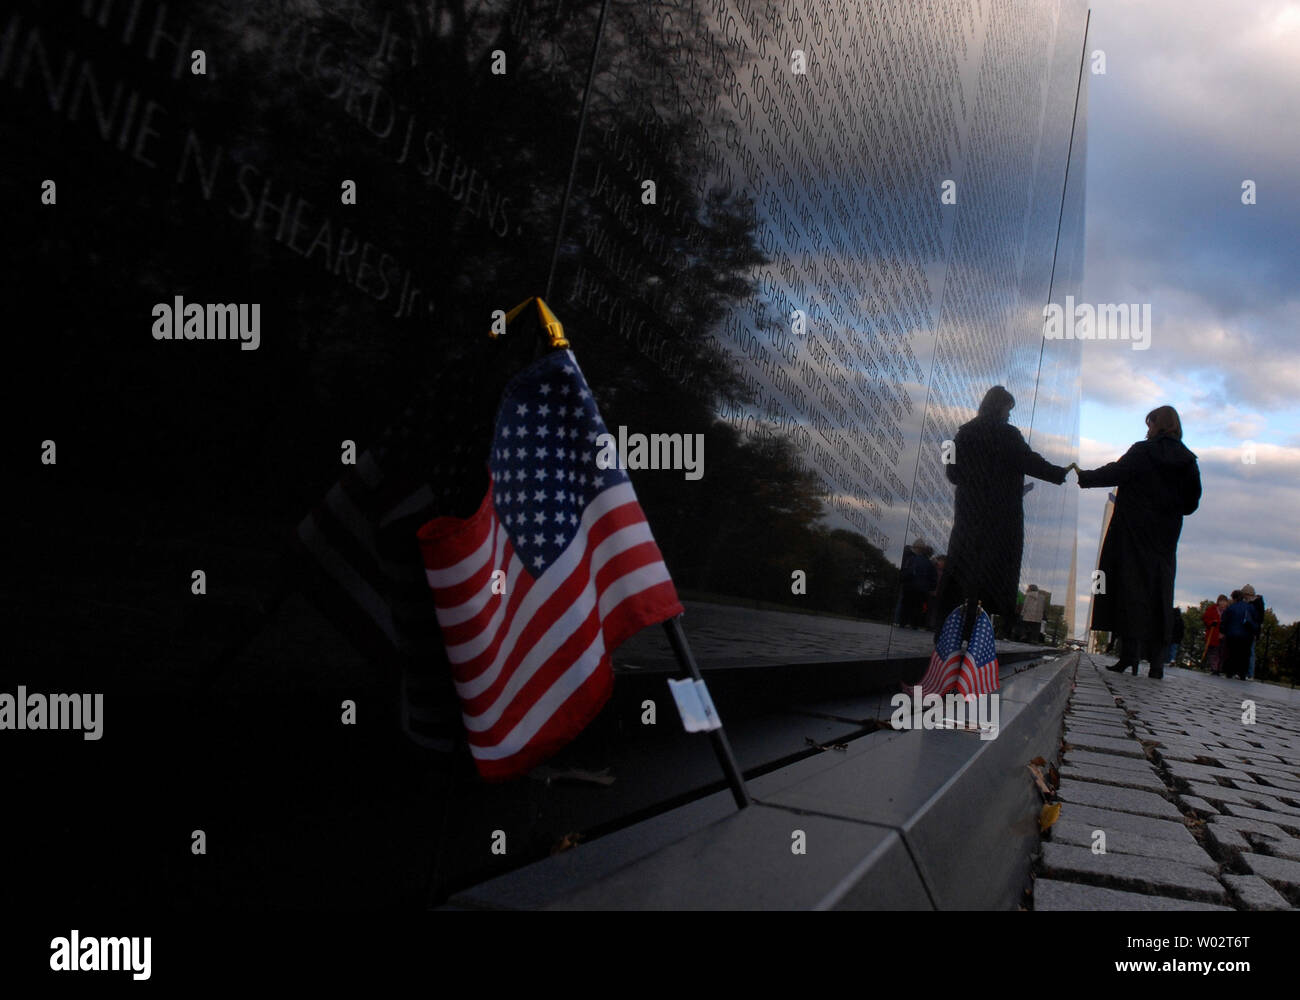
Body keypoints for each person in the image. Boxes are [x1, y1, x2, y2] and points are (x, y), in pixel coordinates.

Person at [1075, 405, 1202, 678]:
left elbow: (1115, 473)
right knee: (1159, 592)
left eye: (1150, 424)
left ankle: (1129, 655)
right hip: (1164, 537)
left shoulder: (1142, 451)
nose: (1147, 430)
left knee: (1129, 590)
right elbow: (1192, 503)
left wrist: (1084, 477)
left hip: (1132, 532)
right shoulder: (1188, 460)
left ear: (1158, 426)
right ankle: (1156, 663)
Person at [934, 386, 1070, 640]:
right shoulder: (1007, 435)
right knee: (991, 570)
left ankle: (948, 628)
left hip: (969, 513)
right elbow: (1029, 460)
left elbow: (952, 474)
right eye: (1008, 409)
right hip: (1000, 515)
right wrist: (1058, 473)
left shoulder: (963, 434)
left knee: (962, 566)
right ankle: (974, 629)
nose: (1009, 415)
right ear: (1000, 407)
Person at [898, 540, 936, 628]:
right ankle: (914, 624)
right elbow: (933, 578)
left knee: (906, 605)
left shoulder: (912, 559)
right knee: (918, 607)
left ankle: (902, 622)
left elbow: (907, 572)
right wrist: (930, 588)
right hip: (922, 590)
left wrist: (903, 581)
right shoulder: (931, 564)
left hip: (909, 587)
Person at [1219, 590, 1253, 679]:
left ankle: (1230, 672)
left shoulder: (1231, 608)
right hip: (1246, 635)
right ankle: (1242, 673)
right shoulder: (1249, 607)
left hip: (1232, 634)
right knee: (1243, 655)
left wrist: (1222, 631)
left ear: (1234, 598)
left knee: (1231, 654)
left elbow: (1224, 621)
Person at [1243, 584, 1265, 679]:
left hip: (1251, 630)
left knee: (1250, 652)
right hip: (1252, 630)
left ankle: (1250, 673)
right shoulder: (1258, 603)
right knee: (1249, 651)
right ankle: (1248, 673)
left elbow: (1258, 619)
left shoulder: (1254, 604)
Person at [1202, 595, 1227, 675]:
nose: (1223, 604)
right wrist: (1212, 623)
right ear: (1219, 602)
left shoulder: (1227, 612)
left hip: (1223, 635)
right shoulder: (1211, 610)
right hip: (1213, 634)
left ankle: (1219, 668)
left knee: (1221, 653)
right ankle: (1214, 668)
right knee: (1213, 652)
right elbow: (1206, 619)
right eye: (1222, 602)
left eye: (1225, 602)